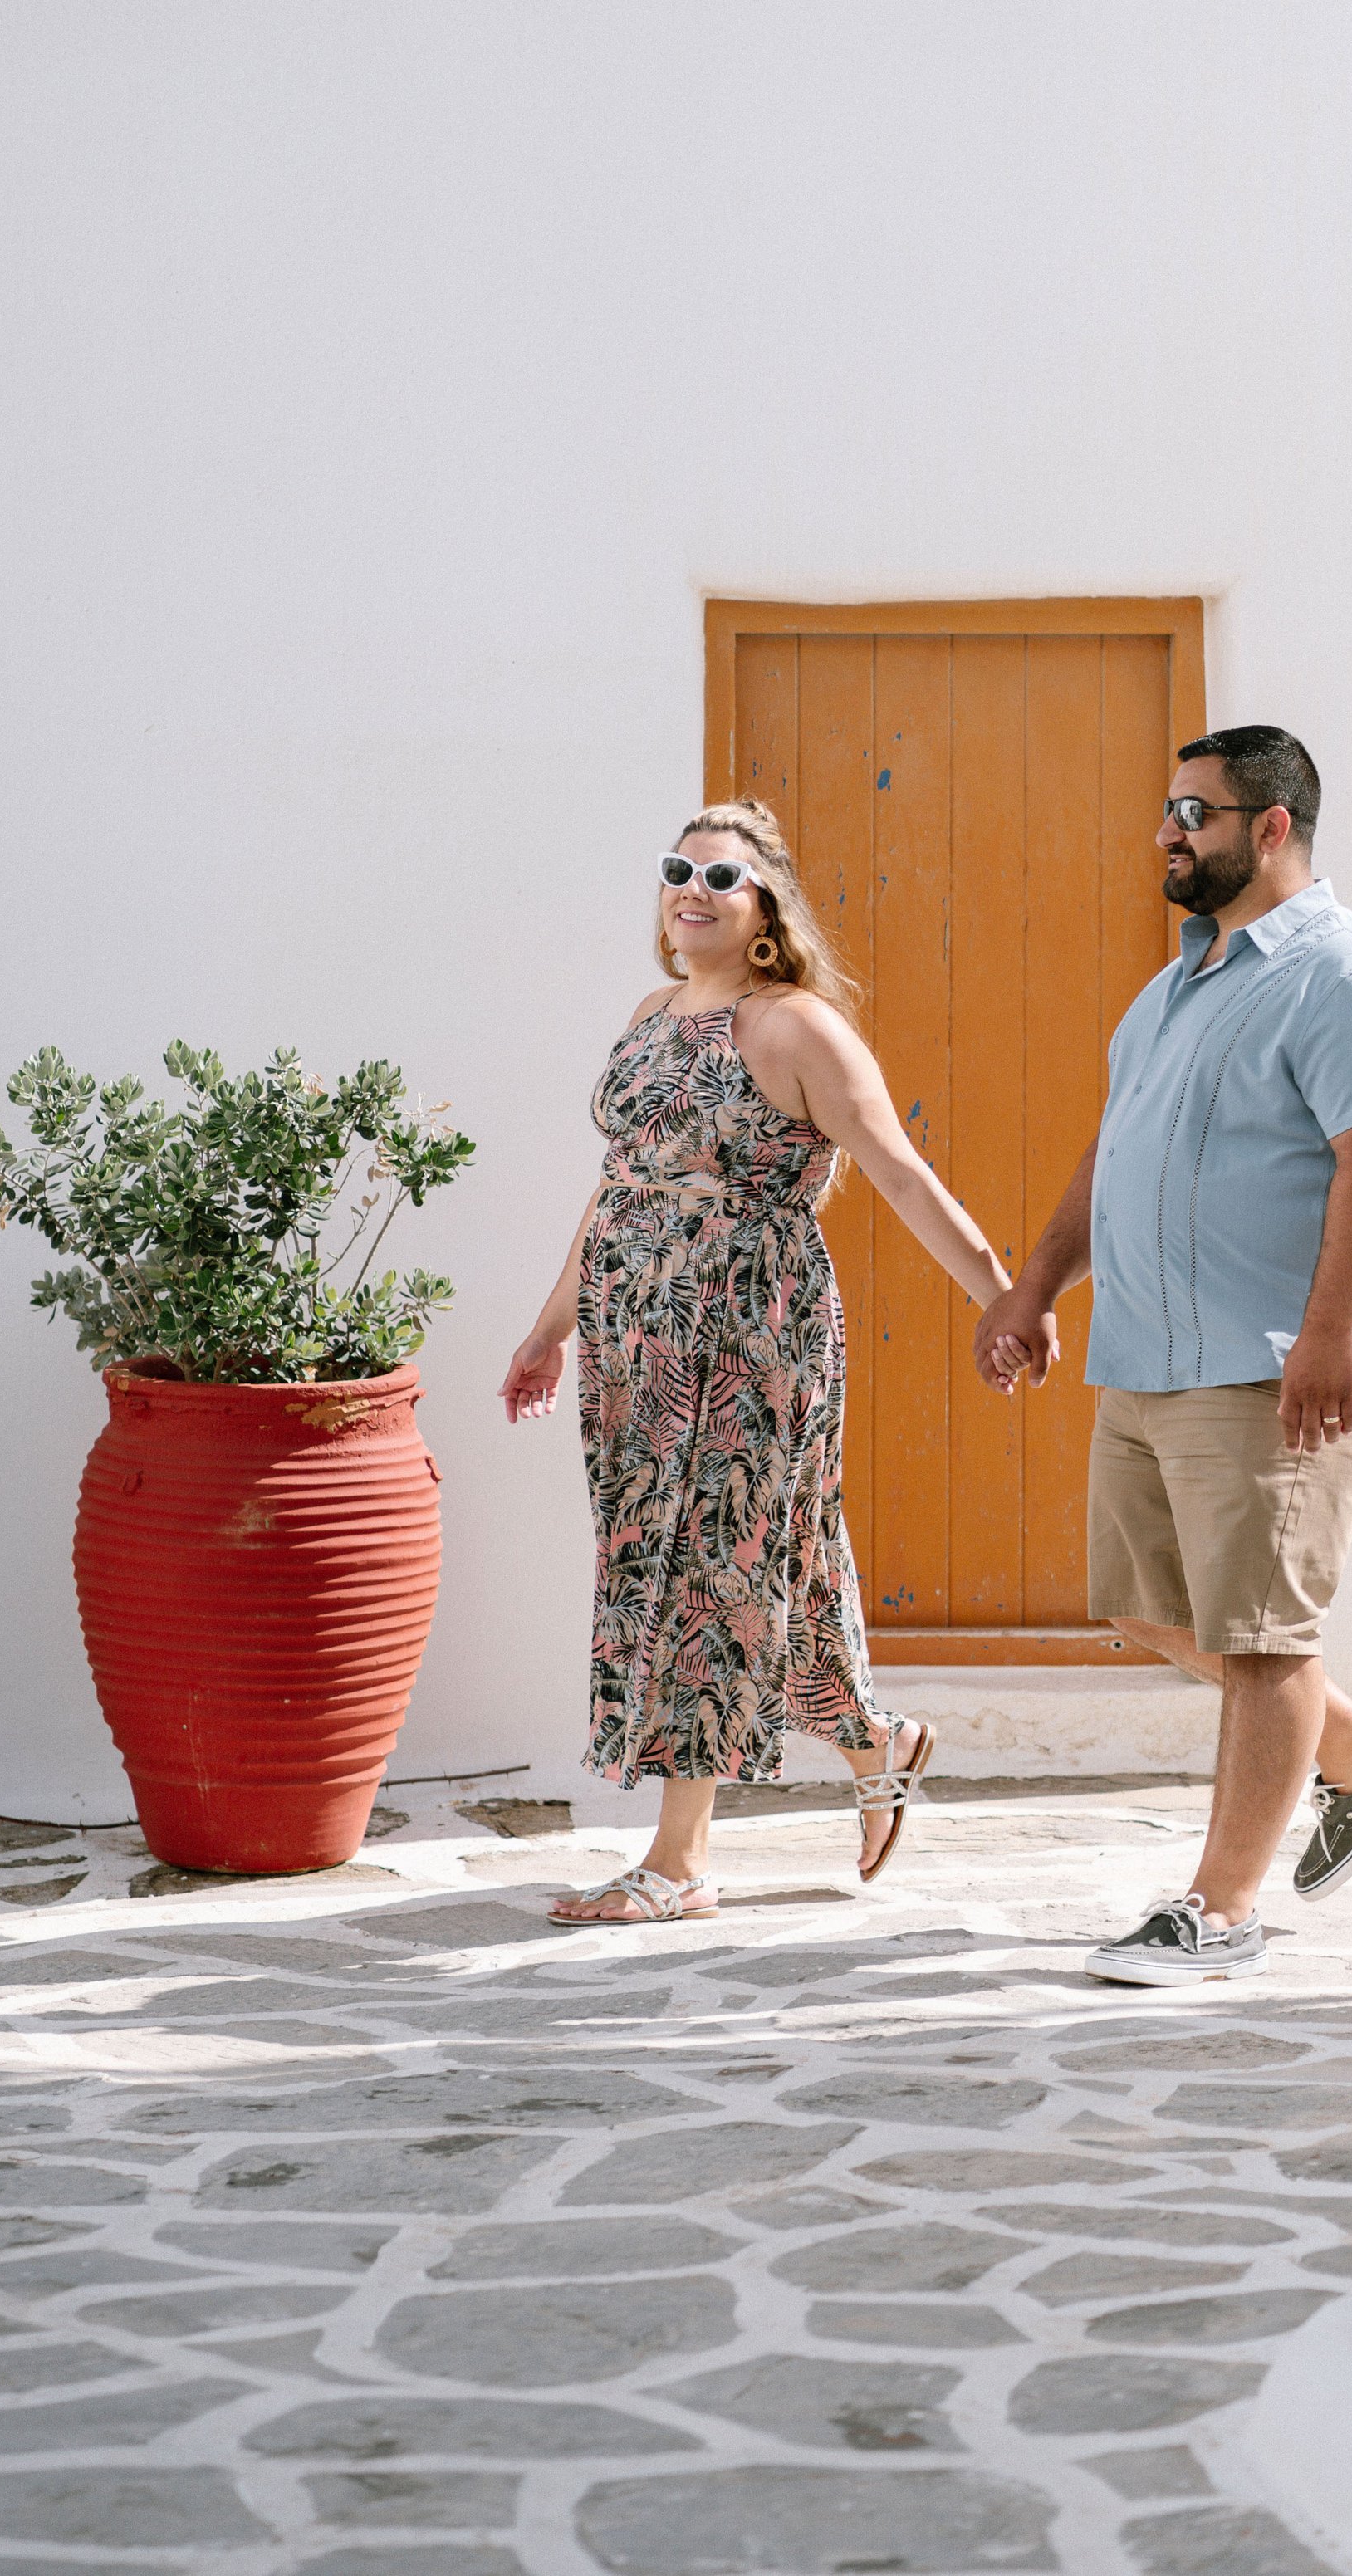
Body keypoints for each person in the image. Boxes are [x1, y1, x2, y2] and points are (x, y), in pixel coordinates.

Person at [976, 727, 1352, 1986]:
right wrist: (1031, 1286)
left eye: (1198, 811)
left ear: (1273, 826)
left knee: (1265, 1636)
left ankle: (1220, 1909)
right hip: (1150, 1357)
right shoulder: (1174, 986)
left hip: (1280, 1359)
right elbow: (1113, 1154)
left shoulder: (1348, 973)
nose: (1170, 832)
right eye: (1169, 810)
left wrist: (1332, 1332)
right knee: (1149, 1605)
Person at [502, 799, 1017, 1925]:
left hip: (745, 1332)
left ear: (767, 905)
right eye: (678, 869)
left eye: (721, 877)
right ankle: (877, 1736)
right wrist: (553, 1326)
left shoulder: (796, 1028)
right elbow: (618, 1188)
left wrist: (1003, 1292)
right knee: (774, 1551)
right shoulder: (648, 1016)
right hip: (633, 1336)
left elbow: (900, 1172)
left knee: (714, 1564)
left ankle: (679, 1859)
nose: (692, 889)